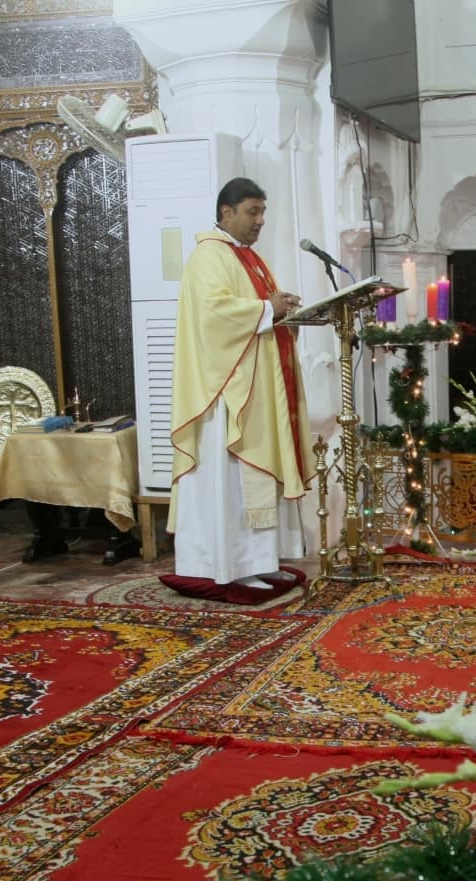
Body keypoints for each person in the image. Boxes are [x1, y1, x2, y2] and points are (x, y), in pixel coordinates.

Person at [167, 176, 314, 593]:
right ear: (225, 212)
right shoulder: (208, 257)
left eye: (263, 212)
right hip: (225, 396)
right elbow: (213, 317)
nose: (260, 220)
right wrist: (269, 308)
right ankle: (229, 564)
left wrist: (281, 310)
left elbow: (257, 314)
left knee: (254, 477)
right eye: (253, 211)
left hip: (256, 388)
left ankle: (262, 559)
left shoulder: (249, 258)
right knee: (230, 481)